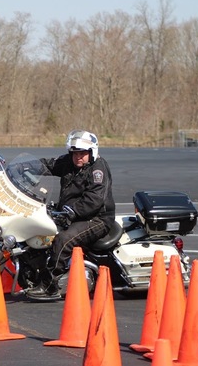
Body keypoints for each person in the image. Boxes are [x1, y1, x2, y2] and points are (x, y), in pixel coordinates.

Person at [25, 129, 116, 301]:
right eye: (74, 153)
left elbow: (94, 200)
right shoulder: (69, 162)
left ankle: (50, 286)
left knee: (63, 239)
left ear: (92, 152)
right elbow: (49, 165)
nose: (78, 157)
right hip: (69, 214)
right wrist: (25, 166)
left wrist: (72, 212)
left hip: (97, 218)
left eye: (82, 153)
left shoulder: (98, 169)